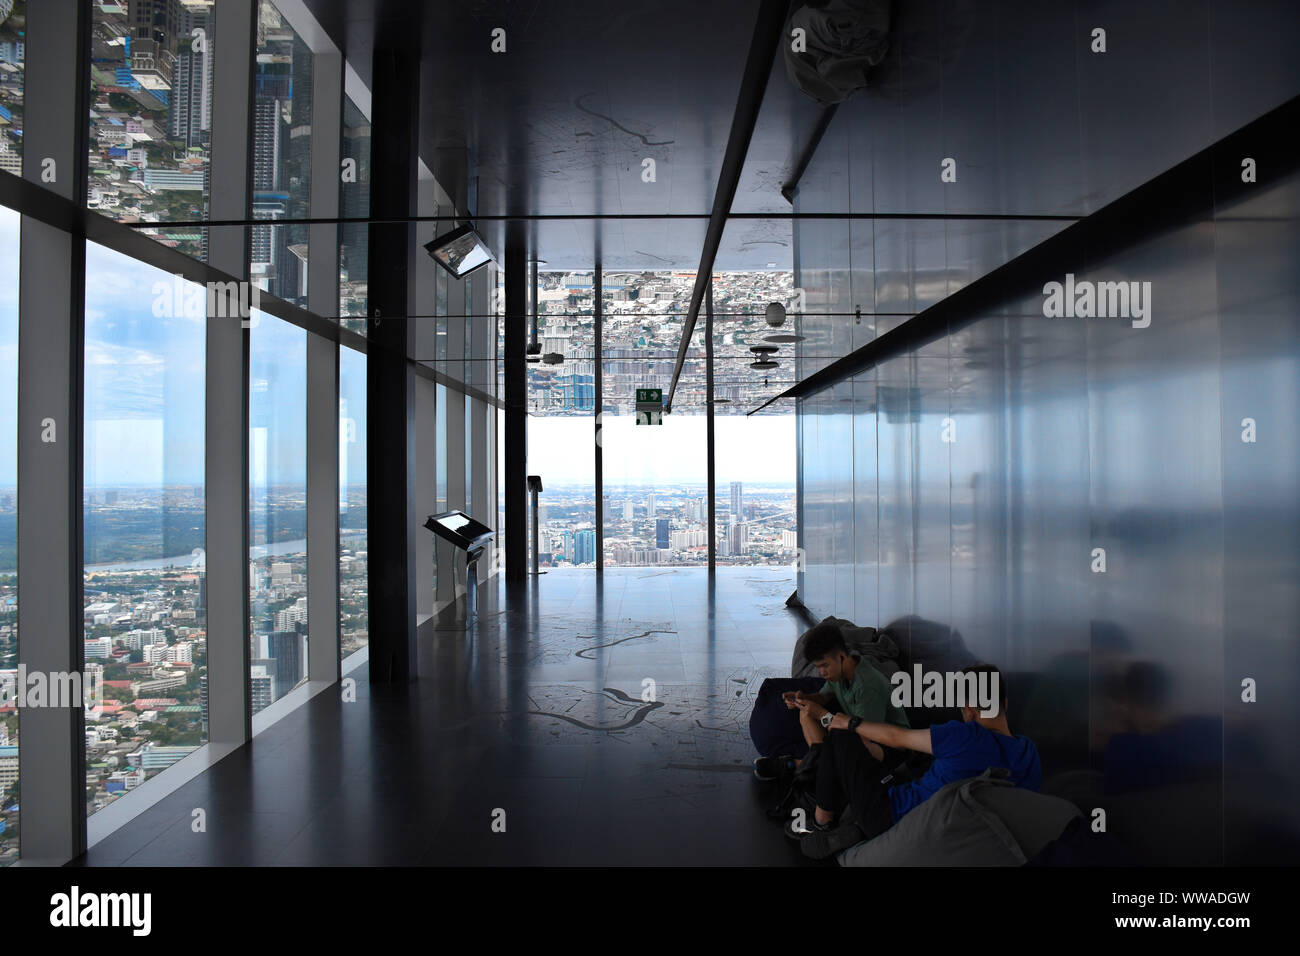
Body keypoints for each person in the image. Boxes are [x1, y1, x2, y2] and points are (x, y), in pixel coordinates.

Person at [787, 662, 1042, 859]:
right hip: (961, 828)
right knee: (887, 758)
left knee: (841, 735)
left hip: (892, 816)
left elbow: (897, 737)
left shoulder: (964, 735)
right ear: (1005, 704)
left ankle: (821, 822)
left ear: (969, 710)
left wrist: (846, 722)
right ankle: (850, 824)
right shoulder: (1028, 752)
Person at [754, 621, 909, 782]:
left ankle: (802, 766)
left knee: (845, 746)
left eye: (824, 666)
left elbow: (865, 739)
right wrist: (804, 699)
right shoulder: (839, 672)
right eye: (818, 667)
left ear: (842, 657)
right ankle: (815, 769)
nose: (822, 672)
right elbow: (824, 696)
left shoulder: (867, 687)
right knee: (806, 712)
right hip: (856, 728)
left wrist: (822, 715)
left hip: (888, 746)